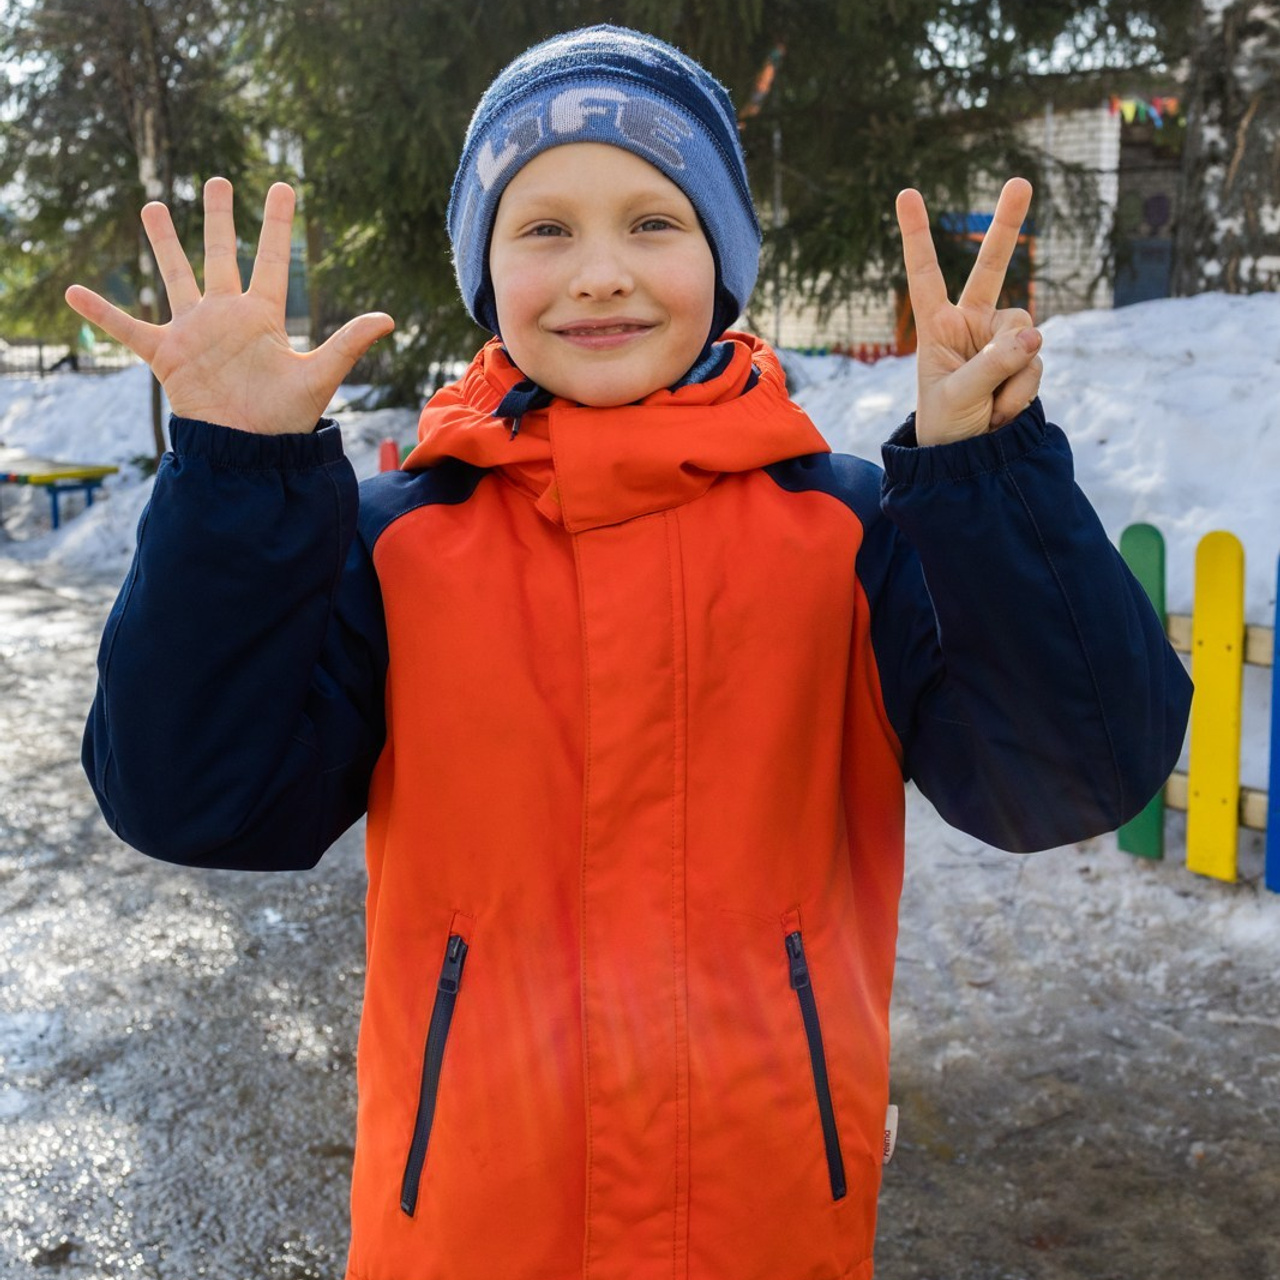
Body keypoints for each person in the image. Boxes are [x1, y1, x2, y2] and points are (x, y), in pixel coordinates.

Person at [67, 25, 1191, 1280]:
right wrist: (233, 484)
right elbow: (194, 798)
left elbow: (1073, 776)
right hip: (465, 1234)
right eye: (543, 228)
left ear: (722, 260)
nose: (598, 273)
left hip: (765, 1234)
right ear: (485, 272)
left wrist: (988, 478)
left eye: (653, 222)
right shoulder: (397, 544)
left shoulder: (850, 532)